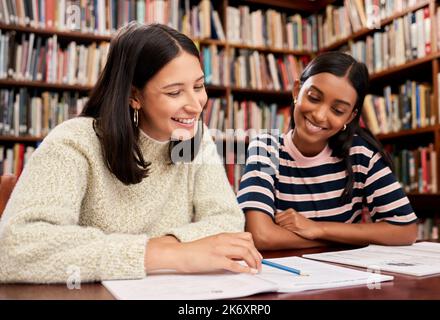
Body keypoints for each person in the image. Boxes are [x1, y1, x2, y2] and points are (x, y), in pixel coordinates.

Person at [0, 22, 261, 283]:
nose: (195, 106)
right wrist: (170, 254)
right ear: (134, 96)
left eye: (198, 86)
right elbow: (14, 248)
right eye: (174, 92)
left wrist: (170, 247)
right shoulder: (75, 142)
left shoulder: (192, 139)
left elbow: (227, 220)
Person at [237, 52, 418, 250]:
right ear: (297, 90)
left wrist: (319, 229)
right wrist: (340, 238)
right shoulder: (266, 148)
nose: (320, 115)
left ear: (350, 117)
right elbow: (260, 235)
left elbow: (406, 230)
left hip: (345, 276)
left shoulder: (360, 154)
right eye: (314, 98)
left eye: (338, 110)